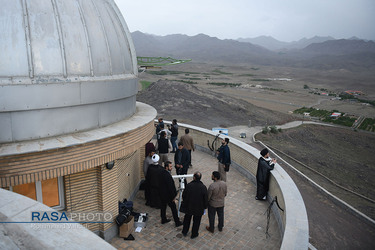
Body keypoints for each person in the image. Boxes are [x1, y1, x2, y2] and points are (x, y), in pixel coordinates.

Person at [180, 171, 208, 239]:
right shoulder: (203, 187)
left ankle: (185, 231)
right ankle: (194, 234)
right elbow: (205, 199)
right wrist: (205, 207)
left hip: (189, 206)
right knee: (197, 221)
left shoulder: (189, 185)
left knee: (187, 219)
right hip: (198, 208)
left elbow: (184, 195)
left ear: (194, 177)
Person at [159, 161, 183, 227]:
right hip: (168, 196)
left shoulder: (162, 173)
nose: (171, 168)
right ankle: (177, 222)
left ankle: (163, 219)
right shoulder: (167, 175)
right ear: (166, 167)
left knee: (163, 207)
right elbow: (171, 188)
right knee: (173, 208)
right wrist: (173, 197)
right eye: (170, 166)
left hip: (163, 194)